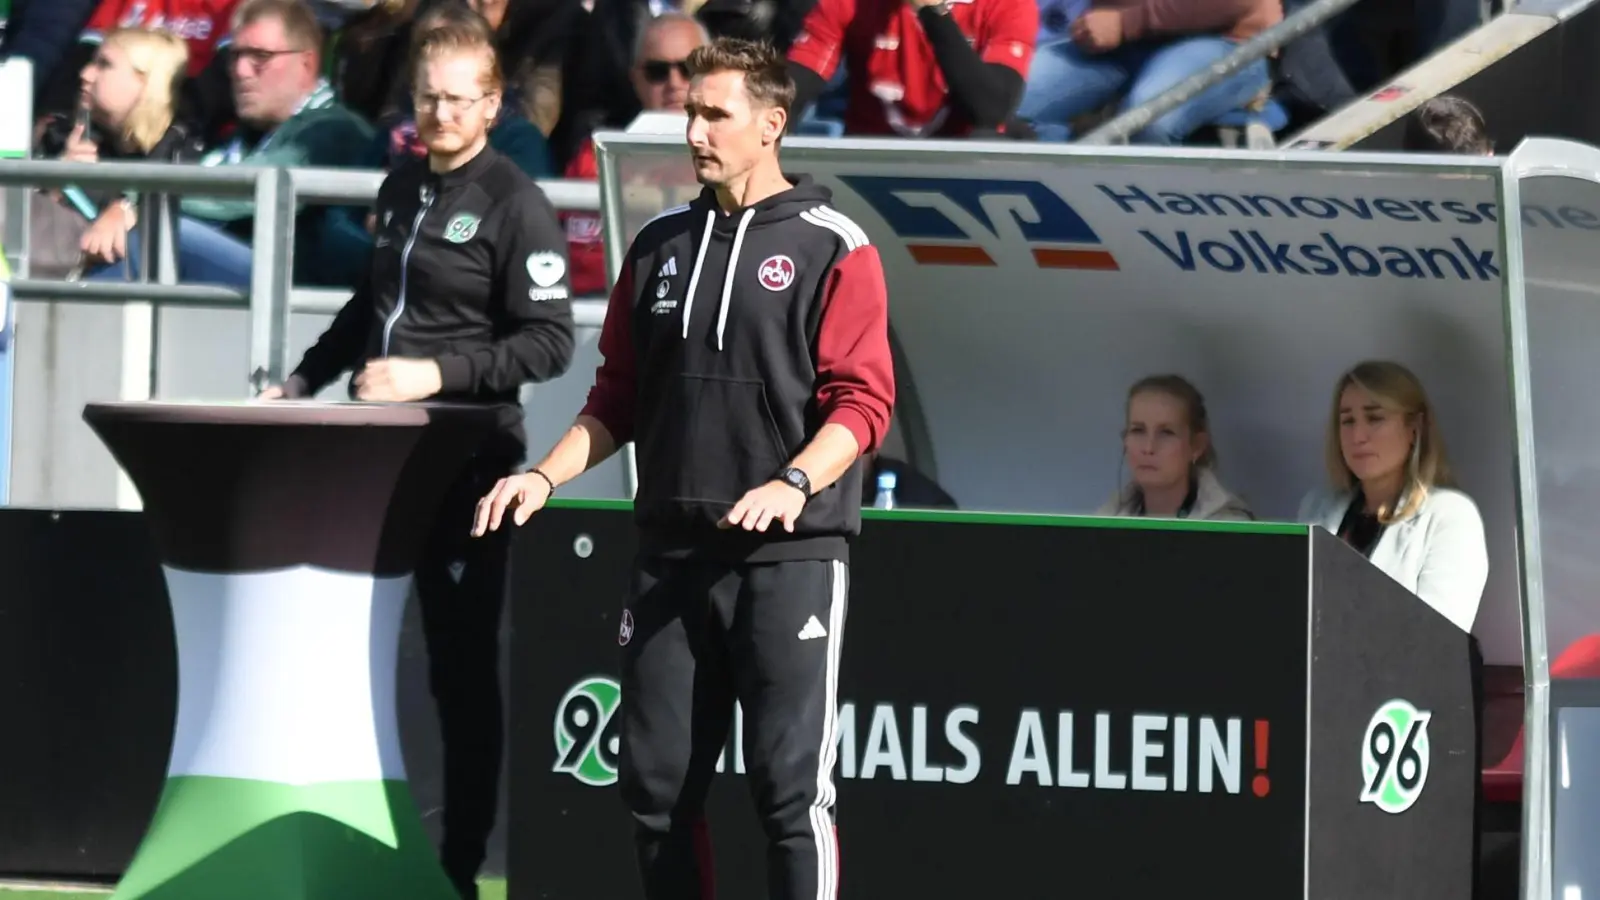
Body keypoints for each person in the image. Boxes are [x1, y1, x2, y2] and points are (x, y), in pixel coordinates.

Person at [473, 37, 894, 900]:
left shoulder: (833, 245)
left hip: (791, 558)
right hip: (669, 555)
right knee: (656, 791)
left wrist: (793, 483)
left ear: (771, 125)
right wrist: (544, 477)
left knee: (789, 796)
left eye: (714, 114)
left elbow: (862, 405)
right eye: (689, 112)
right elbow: (617, 397)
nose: (694, 129)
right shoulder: (659, 244)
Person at [256, 18, 576, 900]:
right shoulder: (401, 182)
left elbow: (548, 343)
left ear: (491, 103)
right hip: (377, 453)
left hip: (471, 456)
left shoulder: (518, 200)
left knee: (460, 664)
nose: (437, 112)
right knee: (359, 651)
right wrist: (301, 380)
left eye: (456, 97)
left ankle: (461, 868)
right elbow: (370, 305)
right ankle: (358, 840)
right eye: (426, 95)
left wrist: (438, 372)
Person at [1297, 360, 1488, 633]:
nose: (1358, 436)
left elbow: (1438, 639)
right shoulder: (1316, 507)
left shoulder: (1450, 516)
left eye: (1374, 418)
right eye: (1347, 421)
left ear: (1414, 428)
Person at [1097, 374, 1253, 521]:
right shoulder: (1106, 518)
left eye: (1166, 433)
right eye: (1138, 430)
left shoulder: (1228, 526)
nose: (1148, 447)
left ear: (1197, 446)